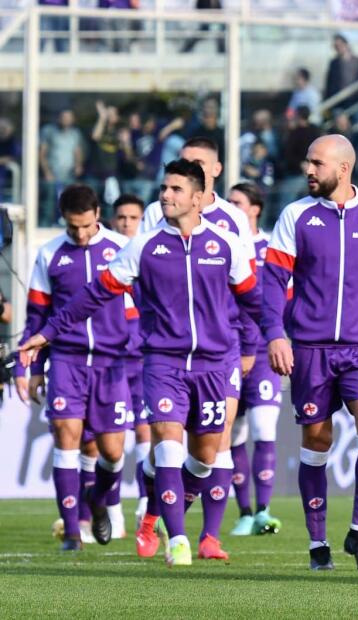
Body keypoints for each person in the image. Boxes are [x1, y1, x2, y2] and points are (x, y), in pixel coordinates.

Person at [21, 159, 260, 567]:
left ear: (198, 198)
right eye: (164, 188)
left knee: (204, 459)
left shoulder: (227, 245)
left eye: (175, 189)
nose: (165, 195)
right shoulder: (143, 246)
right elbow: (93, 294)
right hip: (161, 363)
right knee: (166, 447)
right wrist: (47, 333)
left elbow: (254, 301)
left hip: (213, 365)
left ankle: (154, 513)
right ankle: (177, 540)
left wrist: (268, 341)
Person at [261, 135, 358, 571]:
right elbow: (272, 282)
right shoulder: (296, 215)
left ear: (343, 168)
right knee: (317, 442)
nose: (308, 170)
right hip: (310, 350)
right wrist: (276, 335)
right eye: (308, 161)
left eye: (317, 163)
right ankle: (318, 543)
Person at [139, 136, 257, 561]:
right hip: (168, 353)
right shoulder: (157, 217)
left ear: (214, 173)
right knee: (169, 441)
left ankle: (200, 530)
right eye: (184, 164)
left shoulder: (233, 222)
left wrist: (250, 344)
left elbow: (248, 291)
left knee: (213, 447)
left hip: (222, 349)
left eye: (198, 165)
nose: (190, 170)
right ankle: (178, 534)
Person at [14, 184, 134, 550]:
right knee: (66, 438)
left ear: (98, 214)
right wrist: (31, 368)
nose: (79, 234)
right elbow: (37, 316)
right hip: (67, 360)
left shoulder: (123, 249)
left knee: (112, 452)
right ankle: (71, 533)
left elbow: (139, 309)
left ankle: (97, 501)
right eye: (72, 227)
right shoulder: (49, 254)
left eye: (85, 225)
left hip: (112, 363)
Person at [226, 182, 283, 537]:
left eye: (237, 202)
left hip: (261, 352)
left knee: (264, 428)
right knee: (233, 433)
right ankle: (244, 512)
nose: (230, 207)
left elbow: (285, 296)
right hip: (226, 350)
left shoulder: (272, 247)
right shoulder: (220, 246)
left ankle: (263, 510)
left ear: (255, 208)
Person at [110, 194, 151, 529]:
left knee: (145, 431)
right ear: (112, 220)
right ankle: (110, 511)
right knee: (109, 439)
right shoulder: (105, 255)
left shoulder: (148, 254)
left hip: (144, 359)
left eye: (133, 218)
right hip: (111, 360)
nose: (126, 223)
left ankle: (145, 502)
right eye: (121, 217)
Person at [39, 110, 86, 226]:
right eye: (64, 117)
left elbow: (77, 151)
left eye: (68, 117)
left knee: (70, 202)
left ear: (73, 119)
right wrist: (47, 172)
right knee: (48, 204)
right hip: (52, 175)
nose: (66, 120)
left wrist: (78, 165)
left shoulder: (75, 133)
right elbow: (42, 153)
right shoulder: (49, 131)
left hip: (69, 175)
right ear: (58, 118)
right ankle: (45, 226)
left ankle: (68, 225)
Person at [324, 35, 358, 117]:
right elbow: (330, 83)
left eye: (340, 45)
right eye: (336, 46)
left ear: (346, 44)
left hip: (357, 101)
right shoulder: (334, 63)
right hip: (339, 103)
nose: (339, 48)